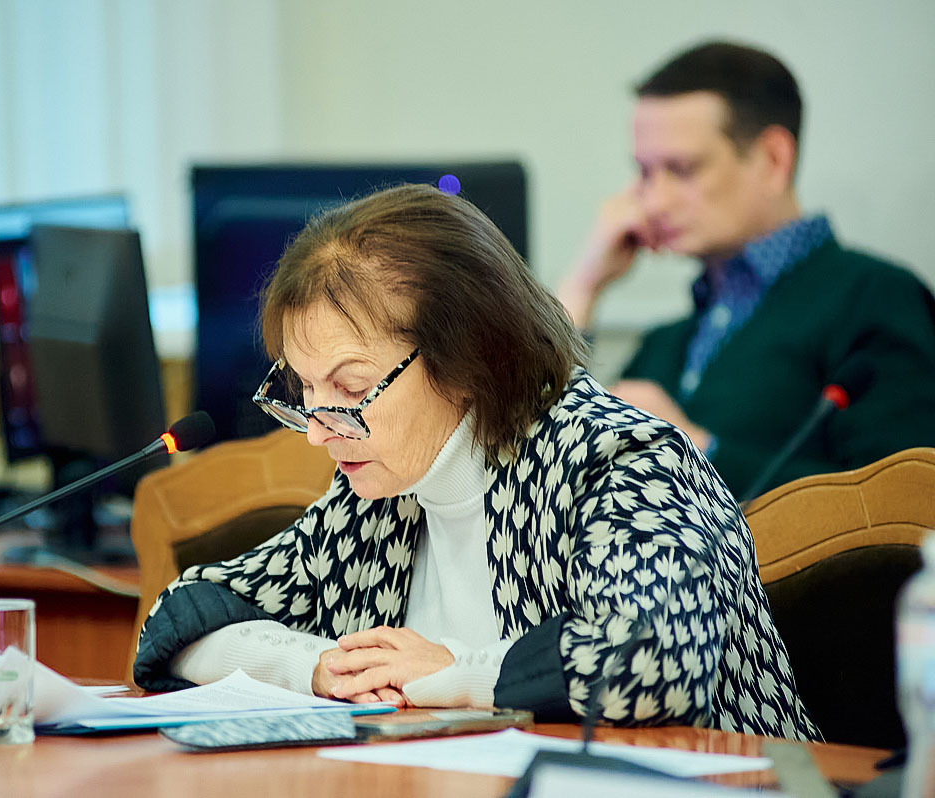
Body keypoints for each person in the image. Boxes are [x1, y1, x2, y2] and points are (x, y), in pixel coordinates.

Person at [133, 182, 818, 741]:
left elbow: (653, 660)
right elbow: (181, 621)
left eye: (349, 389)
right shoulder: (380, 496)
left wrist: (449, 672)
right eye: (304, 392)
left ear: (466, 360)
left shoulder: (619, 460)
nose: (317, 433)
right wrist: (318, 667)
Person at [559, 41, 935, 501]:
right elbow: (546, 478)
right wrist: (583, 284)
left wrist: (692, 450)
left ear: (774, 160)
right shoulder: (661, 347)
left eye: (682, 169)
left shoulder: (875, 297)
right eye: (644, 173)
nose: (653, 202)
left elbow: (905, 505)